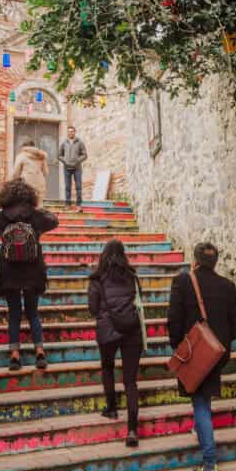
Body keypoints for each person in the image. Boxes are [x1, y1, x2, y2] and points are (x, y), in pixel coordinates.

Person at [167, 242, 236, 471]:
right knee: (204, 395)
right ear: (215, 262)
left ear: (195, 260)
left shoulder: (182, 282)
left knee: (199, 401)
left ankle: (209, 464)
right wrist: (220, 342)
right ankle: (200, 429)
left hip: (194, 354)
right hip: (217, 354)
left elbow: (173, 319)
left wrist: (180, 347)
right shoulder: (227, 286)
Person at [0, 179, 59, 371]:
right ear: (29, 195)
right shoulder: (34, 215)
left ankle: (15, 356)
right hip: (33, 271)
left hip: (9, 271)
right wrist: (39, 208)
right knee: (33, 313)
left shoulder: (3, 216)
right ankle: (40, 353)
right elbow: (54, 221)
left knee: (14, 315)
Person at [88, 239, 144, 448]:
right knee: (130, 382)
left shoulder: (97, 278)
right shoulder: (132, 276)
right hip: (132, 330)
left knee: (108, 367)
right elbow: (140, 302)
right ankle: (132, 431)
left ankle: (111, 408)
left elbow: (93, 309)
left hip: (107, 329)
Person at [11, 139, 49, 206]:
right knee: (38, 206)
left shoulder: (21, 156)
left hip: (26, 183)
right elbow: (46, 172)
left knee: (25, 205)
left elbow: (15, 172)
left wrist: (14, 182)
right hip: (40, 184)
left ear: (24, 147)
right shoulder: (42, 156)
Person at [57, 126, 87, 209]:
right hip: (67, 168)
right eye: (69, 132)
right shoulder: (64, 143)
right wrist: (65, 161)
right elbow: (59, 155)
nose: (71, 133)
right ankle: (67, 204)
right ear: (68, 133)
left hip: (77, 168)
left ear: (75, 132)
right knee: (67, 187)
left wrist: (77, 160)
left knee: (78, 187)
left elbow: (85, 155)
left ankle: (79, 205)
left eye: (72, 131)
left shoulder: (80, 142)